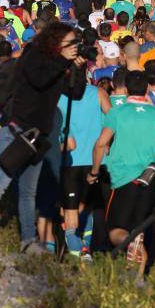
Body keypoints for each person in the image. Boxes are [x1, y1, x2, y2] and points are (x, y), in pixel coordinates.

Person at [0, 22, 83, 261]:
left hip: (39, 136)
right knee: (0, 185)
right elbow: (39, 79)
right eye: (69, 43)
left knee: (28, 192)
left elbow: (75, 93)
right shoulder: (34, 56)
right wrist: (63, 61)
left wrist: (77, 69)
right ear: (55, 41)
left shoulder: (59, 64)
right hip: (18, 130)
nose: (73, 48)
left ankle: (28, 240)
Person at [89, 70, 155, 263]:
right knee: (139, 230)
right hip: (150, 176)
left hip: (123, 176)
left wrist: (94, 171)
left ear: (126, 88)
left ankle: (129, 243)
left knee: (115, 231)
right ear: (147, 88)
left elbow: (100, 144)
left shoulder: (117, 112)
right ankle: (138, 280)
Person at [58, 66, 112, 259]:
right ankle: (86, 249)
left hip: (70, 161)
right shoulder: (98, 92)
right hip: (97, 161)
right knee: (88, 206)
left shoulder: (59, 96)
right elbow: (113, 118)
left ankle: (78, 257)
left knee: (71, 212)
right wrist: (107, 141)